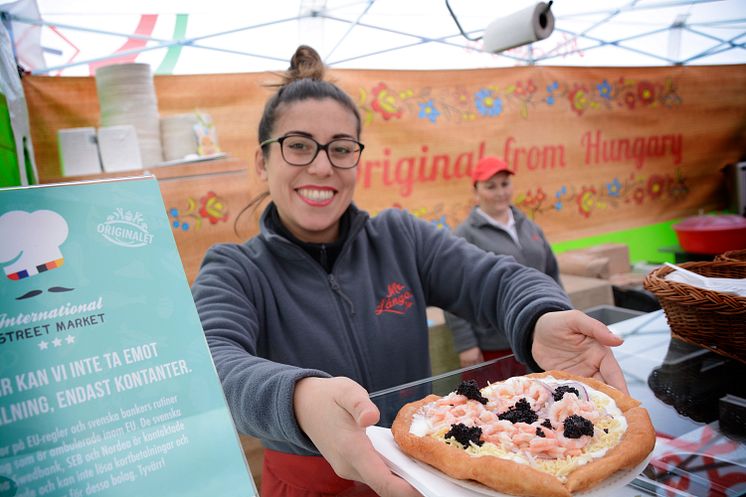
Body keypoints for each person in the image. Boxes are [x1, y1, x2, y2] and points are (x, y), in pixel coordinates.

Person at [191, 45, 628, 497]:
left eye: (341, 148)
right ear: (263, 161)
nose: (321, 166)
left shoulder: (401, 238)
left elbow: (498, 281)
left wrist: (540, 316)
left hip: (422, 475)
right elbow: (212, 364)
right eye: (298, 145)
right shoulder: (235, 270)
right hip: (308, 485)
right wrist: (298, 398)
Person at [444, 156, 564, 374]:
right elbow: (452, 292)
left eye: (505, 184)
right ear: (475, 191)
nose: (500, 192)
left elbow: (551, 275)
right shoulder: (465, 234)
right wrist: (466, 344)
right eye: (490, 187)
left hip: (538, 336)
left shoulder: (529, 225)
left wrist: (564, 315)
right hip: (494, 345)